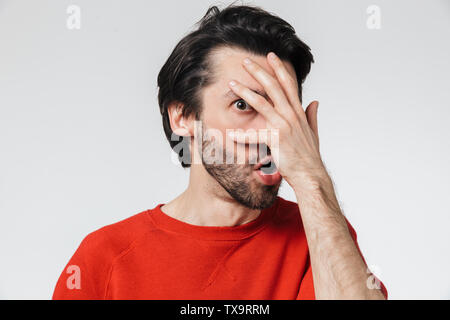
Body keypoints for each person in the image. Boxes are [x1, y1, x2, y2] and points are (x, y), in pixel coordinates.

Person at [53, 3, 387, 300]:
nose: (272, 133)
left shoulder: (319, 234)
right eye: (243, 104)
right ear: (183, 116)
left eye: (284, 110)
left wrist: (312, 178)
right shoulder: (104, 258)